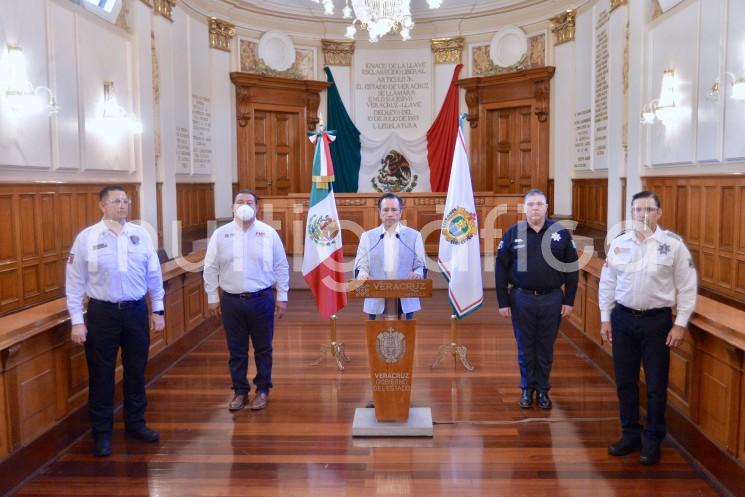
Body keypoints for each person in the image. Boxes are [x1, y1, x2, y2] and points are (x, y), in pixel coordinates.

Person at [65, 185, 165, 457]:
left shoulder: (140, 235)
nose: (123, 205)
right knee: (101, 376)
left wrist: (158, 309)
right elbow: (74, 283)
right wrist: (77, 320)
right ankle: (102, 434)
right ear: (102, 206)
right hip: (101, 315)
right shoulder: (86, 238)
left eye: (126, 200)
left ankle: (135, 424)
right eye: (116, 201)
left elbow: (154, 275)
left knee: (136, 372)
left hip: (134, 312)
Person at [599, 191, 697, 466]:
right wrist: (605, 318)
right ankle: (630, 434)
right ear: (631, 213)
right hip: (623, 320)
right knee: (625, 382)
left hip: (657, 323)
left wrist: (680, 324)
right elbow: (607, 284)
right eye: (637, 210)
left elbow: (688, 287)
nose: (642, 215)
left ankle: (653, 440)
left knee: (655, 385)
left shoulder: (673, 246)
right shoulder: (619, 244)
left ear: (659, 213)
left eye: (648, 210)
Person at [203, 190, 289, 412]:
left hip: (261, 299)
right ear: (233, 207)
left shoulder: (268, 233)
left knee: (263, 348)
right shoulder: (221, 235)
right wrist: (213, 297)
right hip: (231, 301)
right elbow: (210, 267)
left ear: (257, 207)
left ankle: (262, 389)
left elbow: (281, 266)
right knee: (237, 350)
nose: (244, 205)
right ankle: (240, 391)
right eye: (240, 202)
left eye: (249, 202)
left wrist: (283, 296)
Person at [495, 188, 578, 410]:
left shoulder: (560, 233)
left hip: (552, 299)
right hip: (521, 298)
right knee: (524, 346)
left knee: (545, 347)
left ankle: (542, 390)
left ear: (546, 207)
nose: (535, 208)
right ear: (524, 208)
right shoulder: (513, 233)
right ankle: (526, 389)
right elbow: (501, 269)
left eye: (539, 204)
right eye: (530, 204)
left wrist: (569, 300)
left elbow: (572, 268)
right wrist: (503, 302)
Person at [354, 192, 425, 319]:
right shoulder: (368, 237)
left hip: (405, 295)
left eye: (394, 209)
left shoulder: (414, 236)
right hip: (376, 293)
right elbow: (361, 265)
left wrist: (418, 274)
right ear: (379, 212)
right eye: (386, 210)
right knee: (375, 335)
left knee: (406, 335)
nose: (390, 214)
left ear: (401, 212)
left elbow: (420, 265)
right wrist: (363, 275)